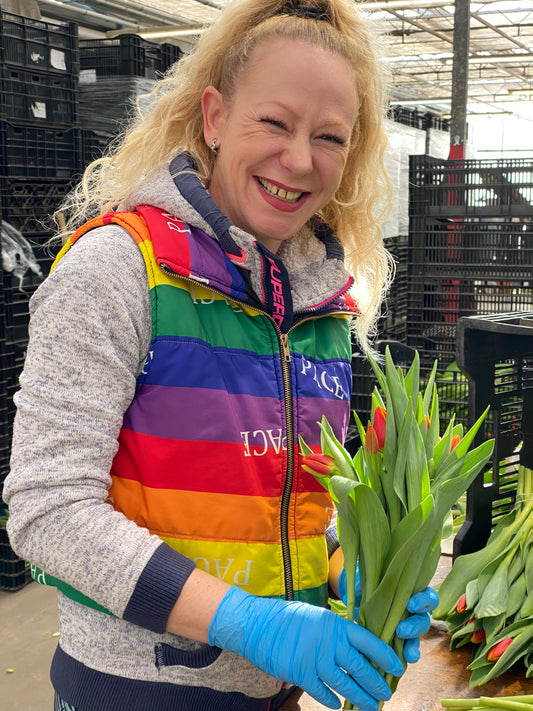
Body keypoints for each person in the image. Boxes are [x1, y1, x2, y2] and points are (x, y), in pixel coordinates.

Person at [4, 1, 438, 710]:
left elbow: (289, 496)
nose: (298, 159)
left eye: (328, 136)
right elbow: (46, 510)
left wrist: (348, 561)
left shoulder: (320, 305)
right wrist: (243, 620)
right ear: (212, 116)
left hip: (275, 694)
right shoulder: (120, 269)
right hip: (135, 692)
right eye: (273, 122)